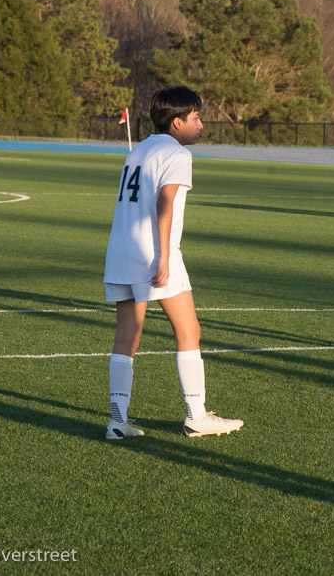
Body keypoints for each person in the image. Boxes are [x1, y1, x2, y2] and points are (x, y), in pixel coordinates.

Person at [103, 87, 244, 440]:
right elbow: (164, 203)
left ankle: (117, 422)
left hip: (120, 250)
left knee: (126, 338)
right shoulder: (177, 155)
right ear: (178, 122)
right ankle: (197, 416)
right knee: (189, 331)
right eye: (196, 118)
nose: (201, 124)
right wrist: (164, 257)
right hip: (153, 253)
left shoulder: (140, 150)